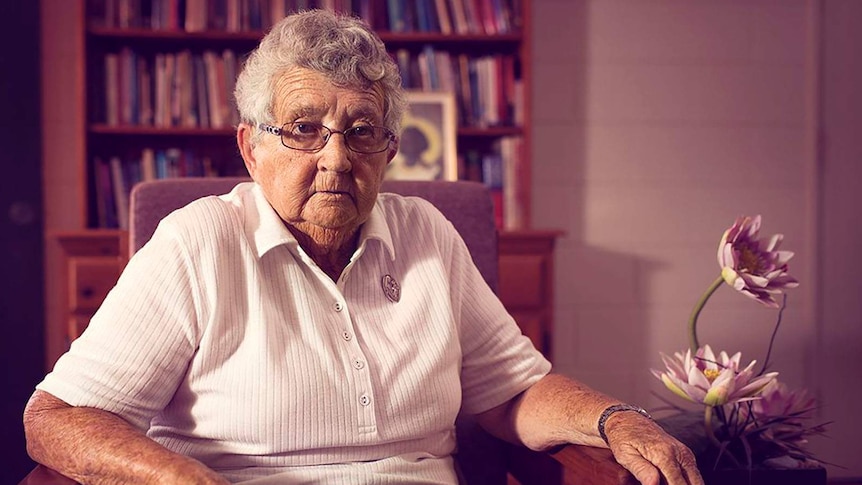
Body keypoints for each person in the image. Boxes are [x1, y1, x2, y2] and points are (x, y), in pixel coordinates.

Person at [24, 9, 702, 485]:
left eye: (360, 130)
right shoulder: (196, 244)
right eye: (304, 128)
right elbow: (55, 420)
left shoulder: (428, 234)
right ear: (250, 147)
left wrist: (615, 418)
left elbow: (512, 393)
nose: (336, 158)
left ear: (389, 151)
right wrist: (185, 480)